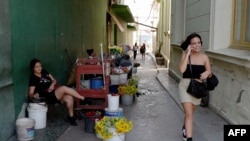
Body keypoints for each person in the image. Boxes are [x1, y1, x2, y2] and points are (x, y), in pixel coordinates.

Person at [28, 58, 85, 126]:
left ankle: (71, 117)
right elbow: (30, 93)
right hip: (47, 97)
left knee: (69, 98)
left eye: (40, 66)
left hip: (54, 92)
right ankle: (83, 98)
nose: (39, 68)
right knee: (63, 88)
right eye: (36, 67)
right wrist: (34, 95)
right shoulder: (33, 78)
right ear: (33, 68)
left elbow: (54, 80)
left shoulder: (44, 72)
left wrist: (52, 84)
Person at [178, 33, 211, 141]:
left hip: (198, 88)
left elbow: (210, 72)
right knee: (189, 114)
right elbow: (182, 70)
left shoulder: (204, 57)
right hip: (185, 87)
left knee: (191, 112)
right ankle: (189, 138)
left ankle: (185, 128)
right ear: (189, 45)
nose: (197, 45)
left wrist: (207, 73)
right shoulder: (185, 54)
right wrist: (187, 54)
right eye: (194, 43)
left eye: (198, 42)